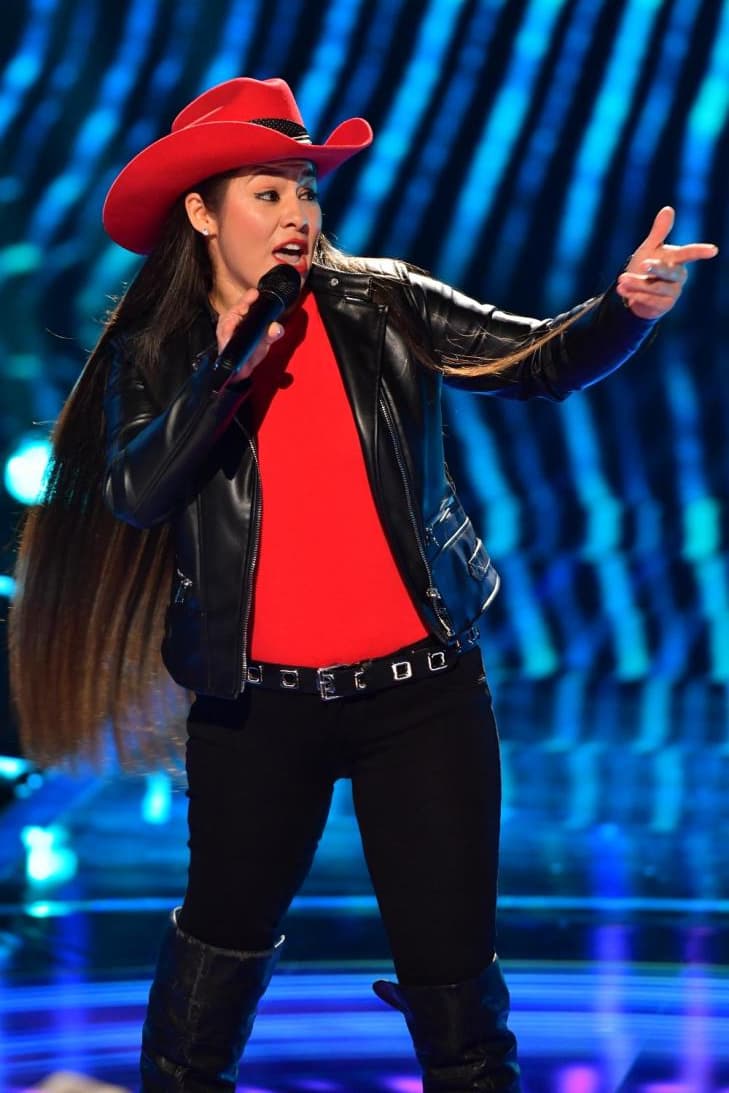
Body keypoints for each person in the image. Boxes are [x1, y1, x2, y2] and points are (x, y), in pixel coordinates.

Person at [9, 77, 717, 1092]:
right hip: (256, 710)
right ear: (202, 214)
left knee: (457, 985)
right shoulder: (156, 351)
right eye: (269, 193)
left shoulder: (382, 300)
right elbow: (137, 492)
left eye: (305, 190)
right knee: (214, 956)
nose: (298, 213)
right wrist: (237, 365)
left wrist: (625, 309)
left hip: (420, 698)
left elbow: (536, 360)